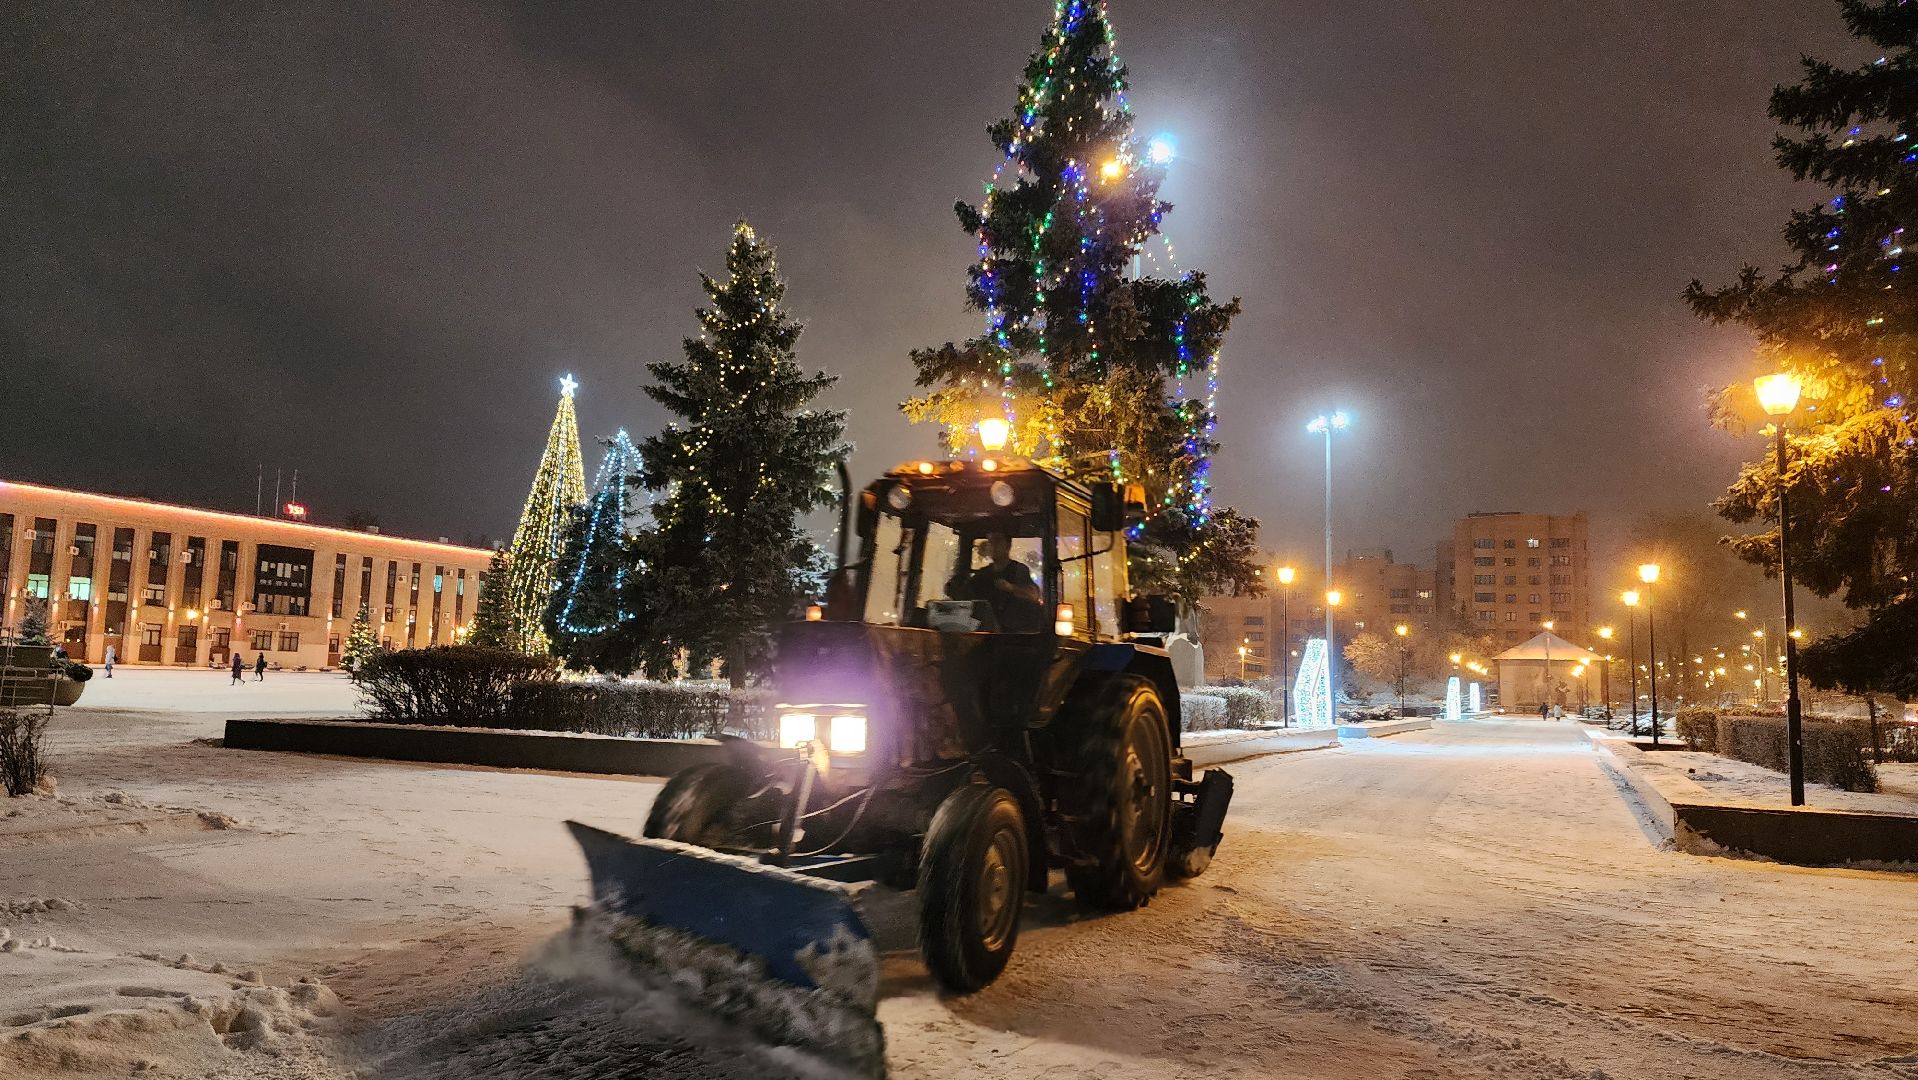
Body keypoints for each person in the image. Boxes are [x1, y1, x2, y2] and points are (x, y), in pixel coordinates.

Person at [952, 531, 1045, 632]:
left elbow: (1033, 595)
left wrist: (1011, 588)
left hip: (1016, 634)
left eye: (997, 540)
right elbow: (966, 595)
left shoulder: (1018, 570)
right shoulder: (983, 575)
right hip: (987, 633)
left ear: (1008, 546)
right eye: (990, 541)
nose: (993, 546)